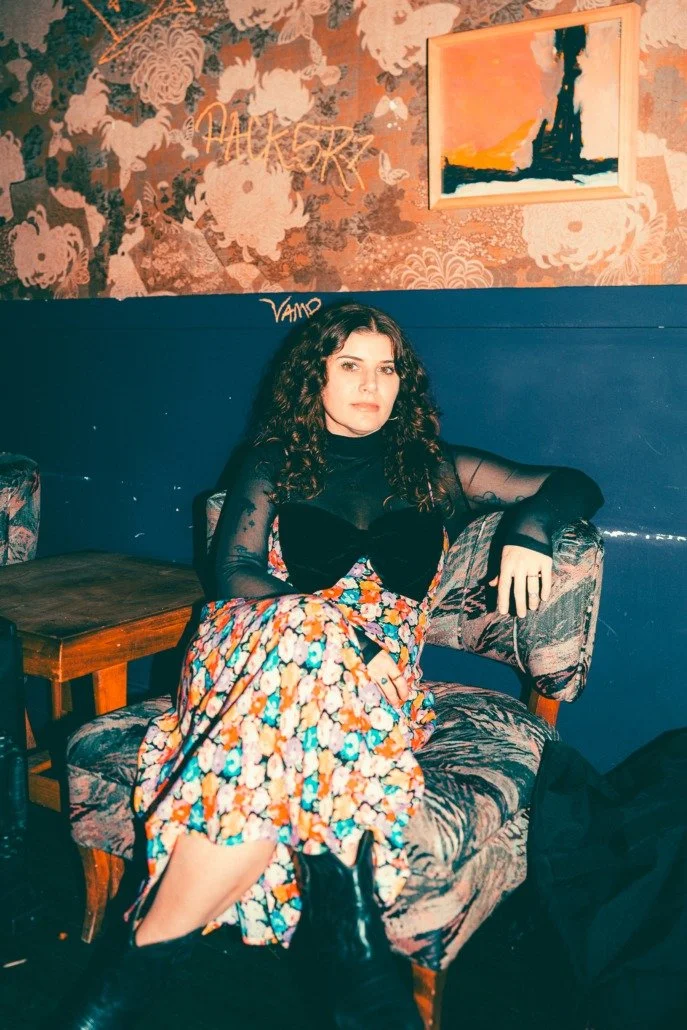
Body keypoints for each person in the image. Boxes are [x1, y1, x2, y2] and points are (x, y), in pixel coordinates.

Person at [56, 302, 603, 1029]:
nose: (371, 385)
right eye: (350, 365)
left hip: (370, 680)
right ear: (313, 377)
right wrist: (327, 626)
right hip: (255, 645)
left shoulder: (439, 470)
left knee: (295, 713)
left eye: (386, 369)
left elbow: (572, 483)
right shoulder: (273, 459)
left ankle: (137, 969)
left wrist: (530, 527)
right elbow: (235, 569)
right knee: (308, 636)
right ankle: (348, 926)